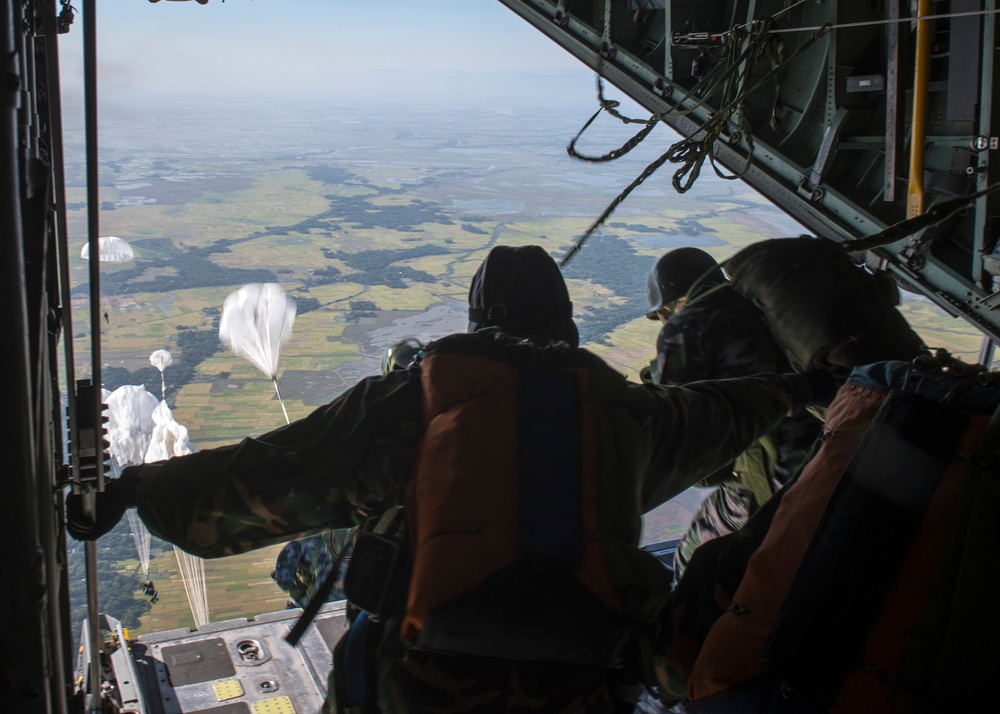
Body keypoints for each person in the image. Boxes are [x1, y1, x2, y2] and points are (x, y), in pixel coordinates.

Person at [67, 245, 835, 714]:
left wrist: (137, 492)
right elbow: (722, 415)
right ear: (566, 324)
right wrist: (803, 388)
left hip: (422, 692)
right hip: (588, 692)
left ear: (478, 318)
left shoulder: (417, 399)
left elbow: (265, 483)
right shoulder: (626, 415)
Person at [644, 247, 821, 580]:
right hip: (837, 447)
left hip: (779, 476)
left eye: (664, 314)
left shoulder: (685, 327)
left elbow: (677, 432)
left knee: (690, 561)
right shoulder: (760, 304)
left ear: (673, 303)